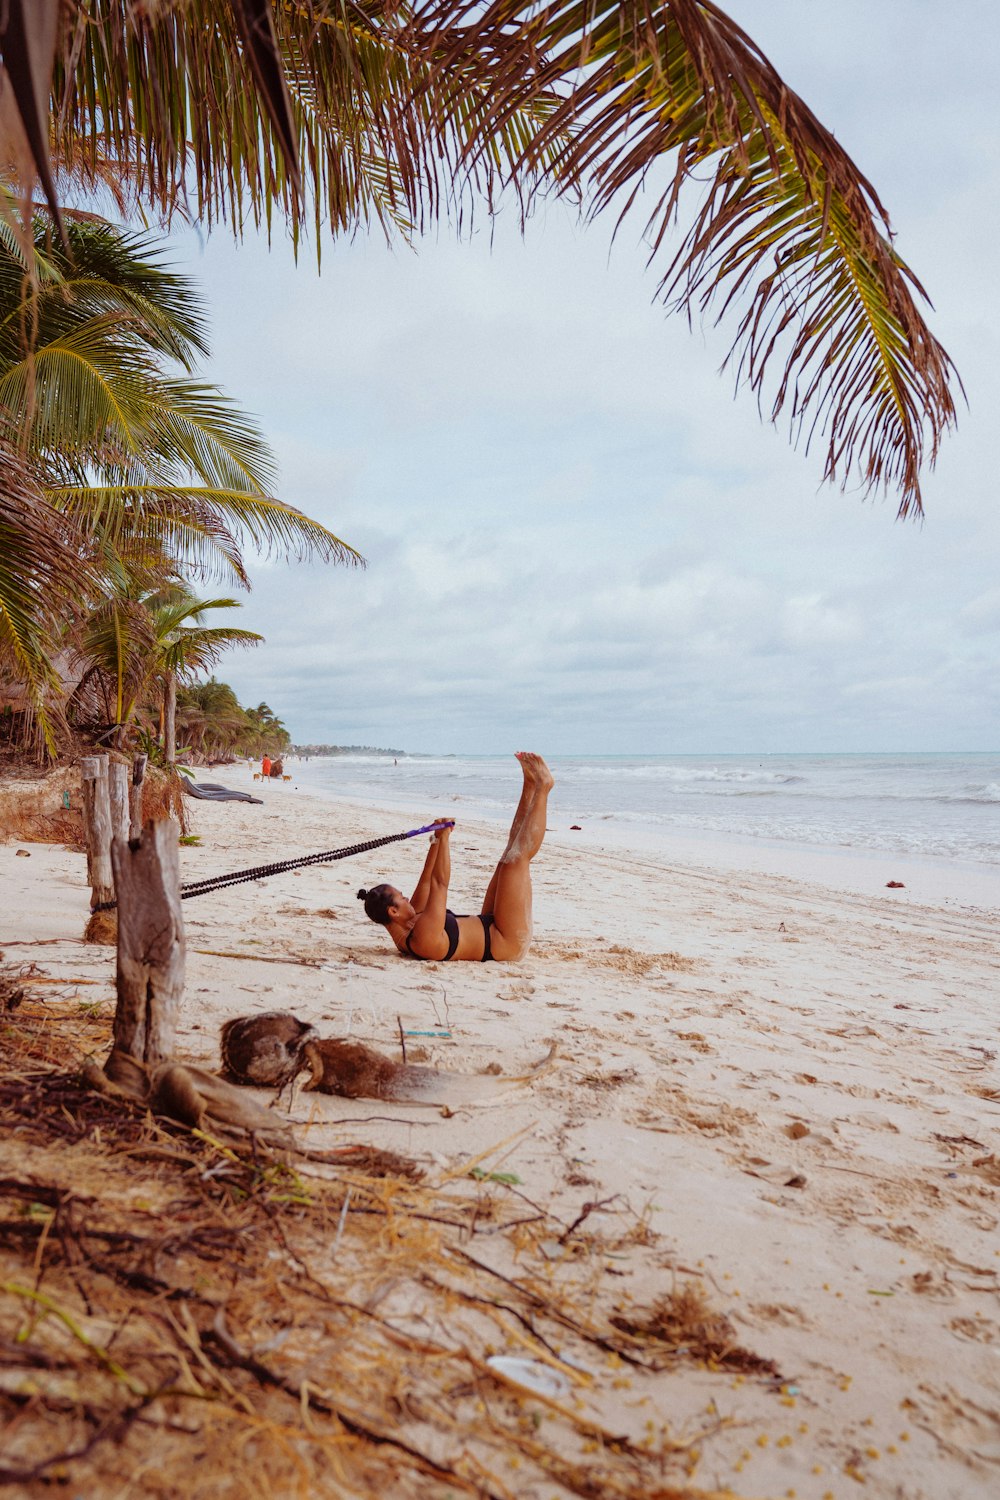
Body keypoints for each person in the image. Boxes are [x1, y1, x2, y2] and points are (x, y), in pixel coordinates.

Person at [357, 752, 553, 962]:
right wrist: (446, 839)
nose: (407, 899)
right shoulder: (423, 939)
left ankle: (530, 785)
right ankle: (544, 787)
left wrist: (436, 836)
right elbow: (439, 883)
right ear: (393, 911)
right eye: (402, 898)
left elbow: (427, 879)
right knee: (516, 862)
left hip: (491, 924)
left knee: (506, 859)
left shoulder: (410, 920)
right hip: (506, 942)